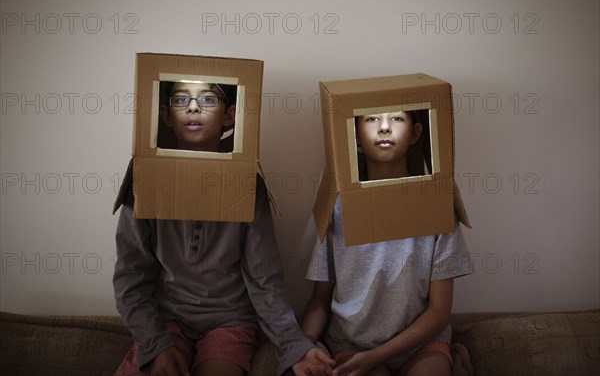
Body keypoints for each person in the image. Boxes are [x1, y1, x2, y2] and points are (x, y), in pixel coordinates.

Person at [113, 81, 335, 376]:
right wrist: (156, 343)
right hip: (166, 318)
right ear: (166, 115)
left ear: (229, 116)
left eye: (207, 99)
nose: (193, 107)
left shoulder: (249, 187)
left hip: (230, 320)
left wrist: (294, 345)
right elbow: (131, 278)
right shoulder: (145, 182)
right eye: (181, 100)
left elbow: (264, 279)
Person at [301, 110, 473, 376]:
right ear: (355, 137)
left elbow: (439, 310)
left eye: (397, 118)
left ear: (415, 133)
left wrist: (377, 356)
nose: (384, 127)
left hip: (421, 344)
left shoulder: (436, 206)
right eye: (371, 119)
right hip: (352, 343)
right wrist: (305, 344)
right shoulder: (337, 208)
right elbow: (320, 299)